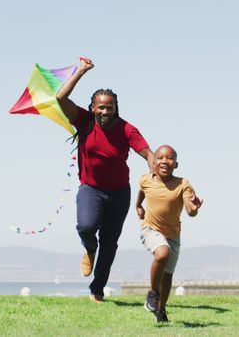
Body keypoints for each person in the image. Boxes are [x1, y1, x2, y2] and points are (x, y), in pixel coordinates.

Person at [56, 57, 154, 303]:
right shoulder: (84, 121)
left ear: (115, 108)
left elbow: (147, 153)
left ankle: (97, 290)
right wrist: (81, 71)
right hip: (91, 189)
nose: (104, 111)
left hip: (119, 193)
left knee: (109, 243)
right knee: (86, 227)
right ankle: (89, 248)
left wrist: (156, 170)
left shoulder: (126, 129)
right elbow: (60, 98)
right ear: (92, 108)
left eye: (109, 107)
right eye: (100, 107)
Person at [136, 145, 203, 323]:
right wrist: (137, 206)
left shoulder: (183, 184)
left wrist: (194, 209)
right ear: (153, 163)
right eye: (160, 157)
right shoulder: (145, 180)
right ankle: (152, 293)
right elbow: (141, 193)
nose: (165, 161)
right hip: (150, 228)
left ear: (176, 164)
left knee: (167, 275)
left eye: (170, 158)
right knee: (162, 253)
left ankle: (160, 309)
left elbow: (190, 210)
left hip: (173, 234)